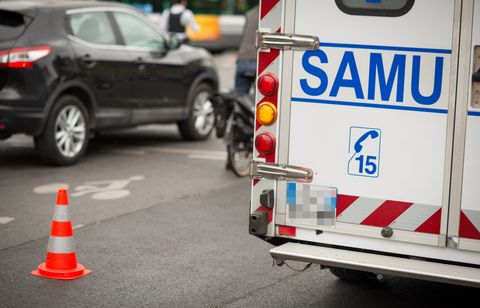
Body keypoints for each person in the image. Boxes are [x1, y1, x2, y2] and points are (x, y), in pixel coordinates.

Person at [235, 5, 259, 94]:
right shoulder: (270, 15)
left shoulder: (249, 13)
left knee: (240, 98)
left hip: (243, 59)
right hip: (258, 61)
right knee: (260, 99)